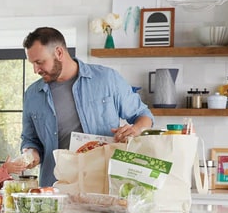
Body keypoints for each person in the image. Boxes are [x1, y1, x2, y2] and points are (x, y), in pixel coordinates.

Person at [20, 27, 153, 187]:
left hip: (104, 183)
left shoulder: (107, 79)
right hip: (55, 187)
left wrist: (136, 129)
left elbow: (144, 115)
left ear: (59, 53)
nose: (35, 70)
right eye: (32, 64)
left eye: (39, 62)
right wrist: (30, 152)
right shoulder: (32, 94)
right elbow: (30, 139)